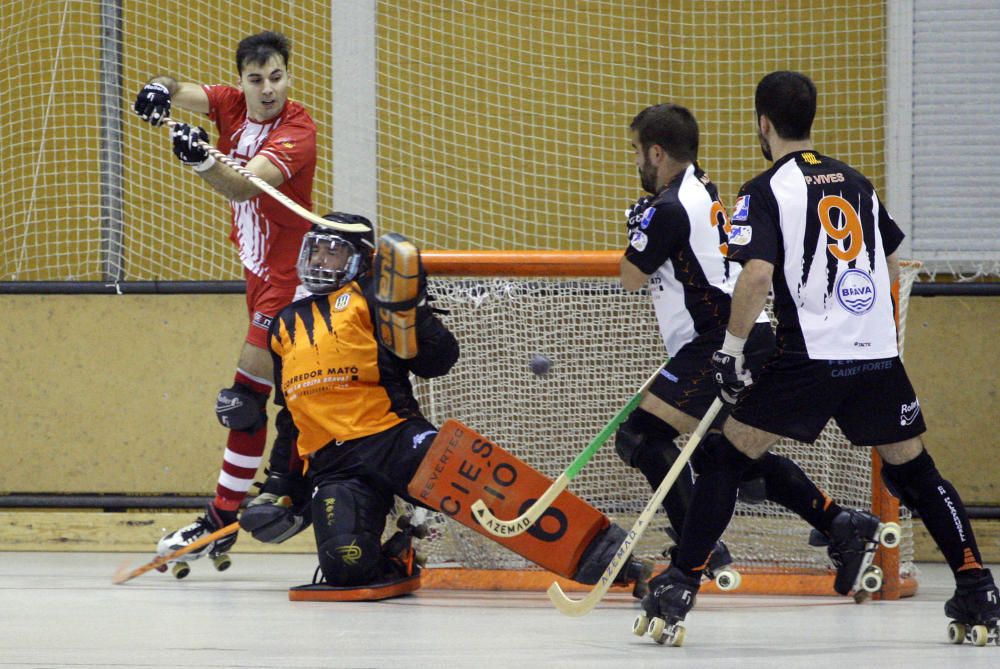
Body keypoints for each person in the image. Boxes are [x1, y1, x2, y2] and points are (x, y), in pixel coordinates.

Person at [644, 71, 999, 643]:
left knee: (727, 461)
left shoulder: (762, 190)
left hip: (807, 355)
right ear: (810, 118)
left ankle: (680, 584)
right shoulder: (858, 182)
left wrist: (731, 353)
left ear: (763, 124)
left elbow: (755, 275)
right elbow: (887, 259)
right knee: (917, 472)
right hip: (876, 357)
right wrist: (873, 331)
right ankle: (978, 588)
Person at [261, 213, 650, 597]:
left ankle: (611, 555)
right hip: (334, 466)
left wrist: (412, 311)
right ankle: (401, 555)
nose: (320, 261)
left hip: (394, 439)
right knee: (345, 568)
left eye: (333, 253)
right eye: (315, 251)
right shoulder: (283, 324)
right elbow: (291, 418)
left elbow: (438, 361)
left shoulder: (372, 296)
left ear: (359, 260)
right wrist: (281, 485)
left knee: (501, 496)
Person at [617, 103, 869, 592]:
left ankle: (698, 548)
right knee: (732, 457)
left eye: (636, 152)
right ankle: (841, 524)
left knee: (642, 438)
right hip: (744, 337)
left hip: (715, 340)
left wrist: (637, 230)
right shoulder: (699, 187)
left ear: (656, 151)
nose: (636, 163)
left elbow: (630, 278)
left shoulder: (668, 207)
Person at [133, 31, 318, 565]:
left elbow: (243, 186)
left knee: (243, 401)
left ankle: (225, 517)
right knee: (268, 402)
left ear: (289, 75)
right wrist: (156, 90)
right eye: (256, 79)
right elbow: (177, 89)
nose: (267, 90)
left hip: (290, 278)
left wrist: (200, 162)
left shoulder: (297, 129)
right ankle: (240, 511)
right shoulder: (231, 104)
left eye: (277, 77)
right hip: (258, 273)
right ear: (241, 80)